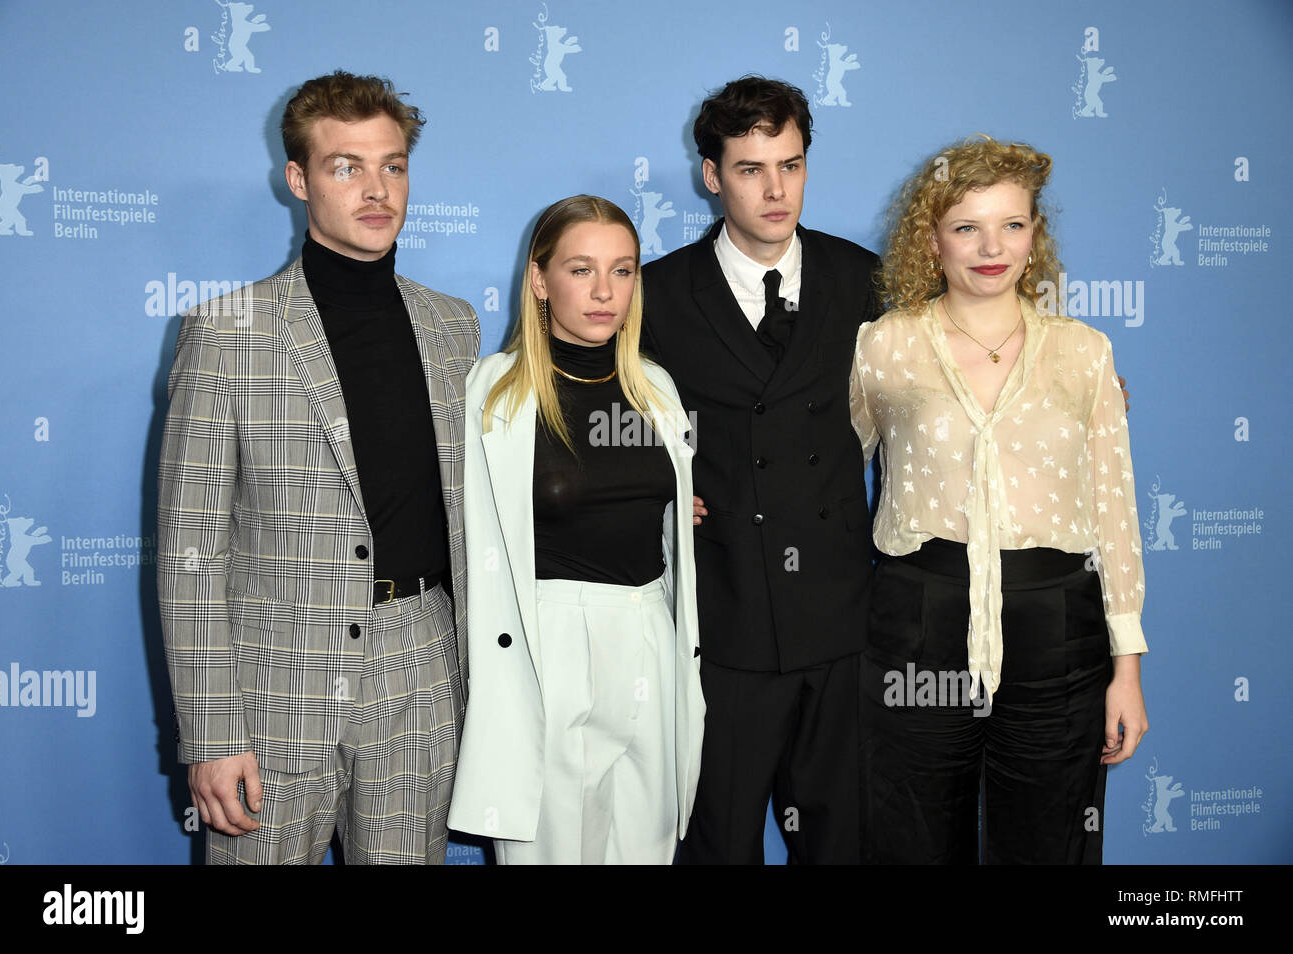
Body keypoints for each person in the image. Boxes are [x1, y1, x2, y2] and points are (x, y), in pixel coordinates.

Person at [156, 70, 479, 864]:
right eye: (347, 166)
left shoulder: (454, 327)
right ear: (298, 179)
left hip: (421, 669)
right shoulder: (225, 332)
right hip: (274, 687)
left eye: (393, 165)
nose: (377, 189)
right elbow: (191, 552)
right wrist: (211, 732)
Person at [850, 136, 1149, 864]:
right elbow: (818, 470)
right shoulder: (884, 346)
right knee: (911, 842)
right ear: (932, 239)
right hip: (919, 619)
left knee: (1050, 845)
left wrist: (1127, 671)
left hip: (1058, 629)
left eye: (1012, 225)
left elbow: (1115, 514)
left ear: (1034, 235)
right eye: (967, 227)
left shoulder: (1084, 352)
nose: (992, 247)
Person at [641, 76, 882, 864]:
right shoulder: (655, 294)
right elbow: (587, 422)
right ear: (711, 174)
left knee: (839, 844)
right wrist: (661, 495)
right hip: (724, 617)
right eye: (751, 168)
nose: (776, 189)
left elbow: (959, 370)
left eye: (791, 164)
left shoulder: (868, 282)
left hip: (843, 617)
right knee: (718, 842)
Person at [447, 195, 704, 864]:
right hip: (546, 642)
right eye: (581, 269)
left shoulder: (657, 387)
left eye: (622, 271)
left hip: (652, 631)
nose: (603, 292)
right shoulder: (492, 393)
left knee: (646, 847)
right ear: (540, 280)